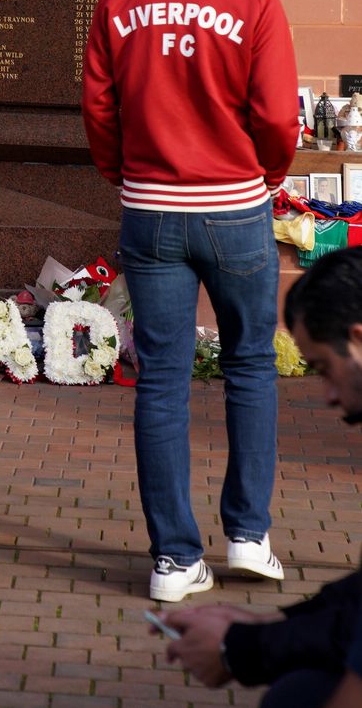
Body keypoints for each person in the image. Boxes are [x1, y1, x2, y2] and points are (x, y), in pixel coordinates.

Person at [82, 0, 299, 602]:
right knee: (249, 366)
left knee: (165, 378)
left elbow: (99, 106)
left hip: (150, 207)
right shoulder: (256, 1)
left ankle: (175, 558)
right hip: (235, 205)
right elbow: (275, 114)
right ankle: (247, 533)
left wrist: (120, 171)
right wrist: (269, 171)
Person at [160, 247, 362, 708]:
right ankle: (247, 536)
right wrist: (262, 629)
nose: (327, 397)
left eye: (325, 370)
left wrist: (241, 648)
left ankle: (175, 556)